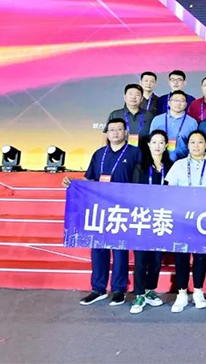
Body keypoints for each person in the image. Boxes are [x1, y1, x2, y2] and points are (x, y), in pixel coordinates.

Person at [67, 118, 141, 307]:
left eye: (119, 129)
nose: (115, 133)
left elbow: (139, 182)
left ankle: (119, 289)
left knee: (120, 249)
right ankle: (98, 289)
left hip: (123, 208)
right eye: (112, 130)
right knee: (98, 248)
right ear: (107, 133)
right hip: (99, 209)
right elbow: (89, 180)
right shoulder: (99, 153)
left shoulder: (135, 153)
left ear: (126, 132)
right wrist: (73, 184)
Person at [164, 130, 206, 312]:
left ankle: (198, 291)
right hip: (182, 217)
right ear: (188, 145)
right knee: (182, 256)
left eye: (200, 142)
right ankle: (182, 293)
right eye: (192, 142)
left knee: (201, 256)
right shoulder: (178, 165)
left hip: (205, 217)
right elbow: (169, 191)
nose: (196, 145)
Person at [128, 129, 172, 314]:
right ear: (148, 145)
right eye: (154, 142)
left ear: (166, 145)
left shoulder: (170, 166)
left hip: (162, 218)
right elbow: (134, 192)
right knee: (141, 259)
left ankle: (150, 290)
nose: (157, 146)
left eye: (161, 142)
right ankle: (139, 294)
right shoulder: (140, 167)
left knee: (156, 259)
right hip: (143, 217)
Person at [150, 90, 197, 162]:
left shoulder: (192, 122)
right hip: (159, 161)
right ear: (169, 103)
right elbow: (151, 141)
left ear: (186, 104)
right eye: (175, 100)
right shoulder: (157, 120)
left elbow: (194, 144)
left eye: (182, 101)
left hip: (183, 161)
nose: (178, 103)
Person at [106, 83, 153, 148]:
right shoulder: (115, 114)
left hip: (144, 151)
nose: (133, 97)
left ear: (142, 99)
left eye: (137, 95)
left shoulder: (149, 116)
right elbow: (106, 135)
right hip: (121, 151)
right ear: (124, 97)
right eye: (130, 94)